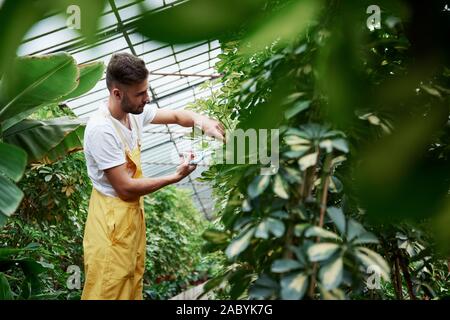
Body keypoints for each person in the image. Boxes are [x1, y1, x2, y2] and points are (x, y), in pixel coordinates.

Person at [81, 52, 224, 300]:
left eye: (146, 90)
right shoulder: (101, 129)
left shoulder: (134, 114)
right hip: (110, 220)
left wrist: (204, 122)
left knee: (131, 283)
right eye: (140, 94)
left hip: (130, 217)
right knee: (108, 288)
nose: (146, 99)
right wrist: (174, 177)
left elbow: (179, 117)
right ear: (117, 93)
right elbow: (124, 188)